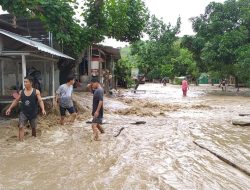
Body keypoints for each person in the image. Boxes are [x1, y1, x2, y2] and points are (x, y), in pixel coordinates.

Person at [6, 76, 46, 141]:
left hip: (33, 113)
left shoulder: (36, 91)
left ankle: (34, 141)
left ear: (31, 83)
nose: (24, 83)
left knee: (33, 128)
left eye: (26, 82)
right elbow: (16, 100)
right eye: (24, 82)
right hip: (23, 112)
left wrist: (43, 109)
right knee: (21, 127)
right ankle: (21, 143)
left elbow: (40, 101)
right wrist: (10, 108)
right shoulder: (21, 92)